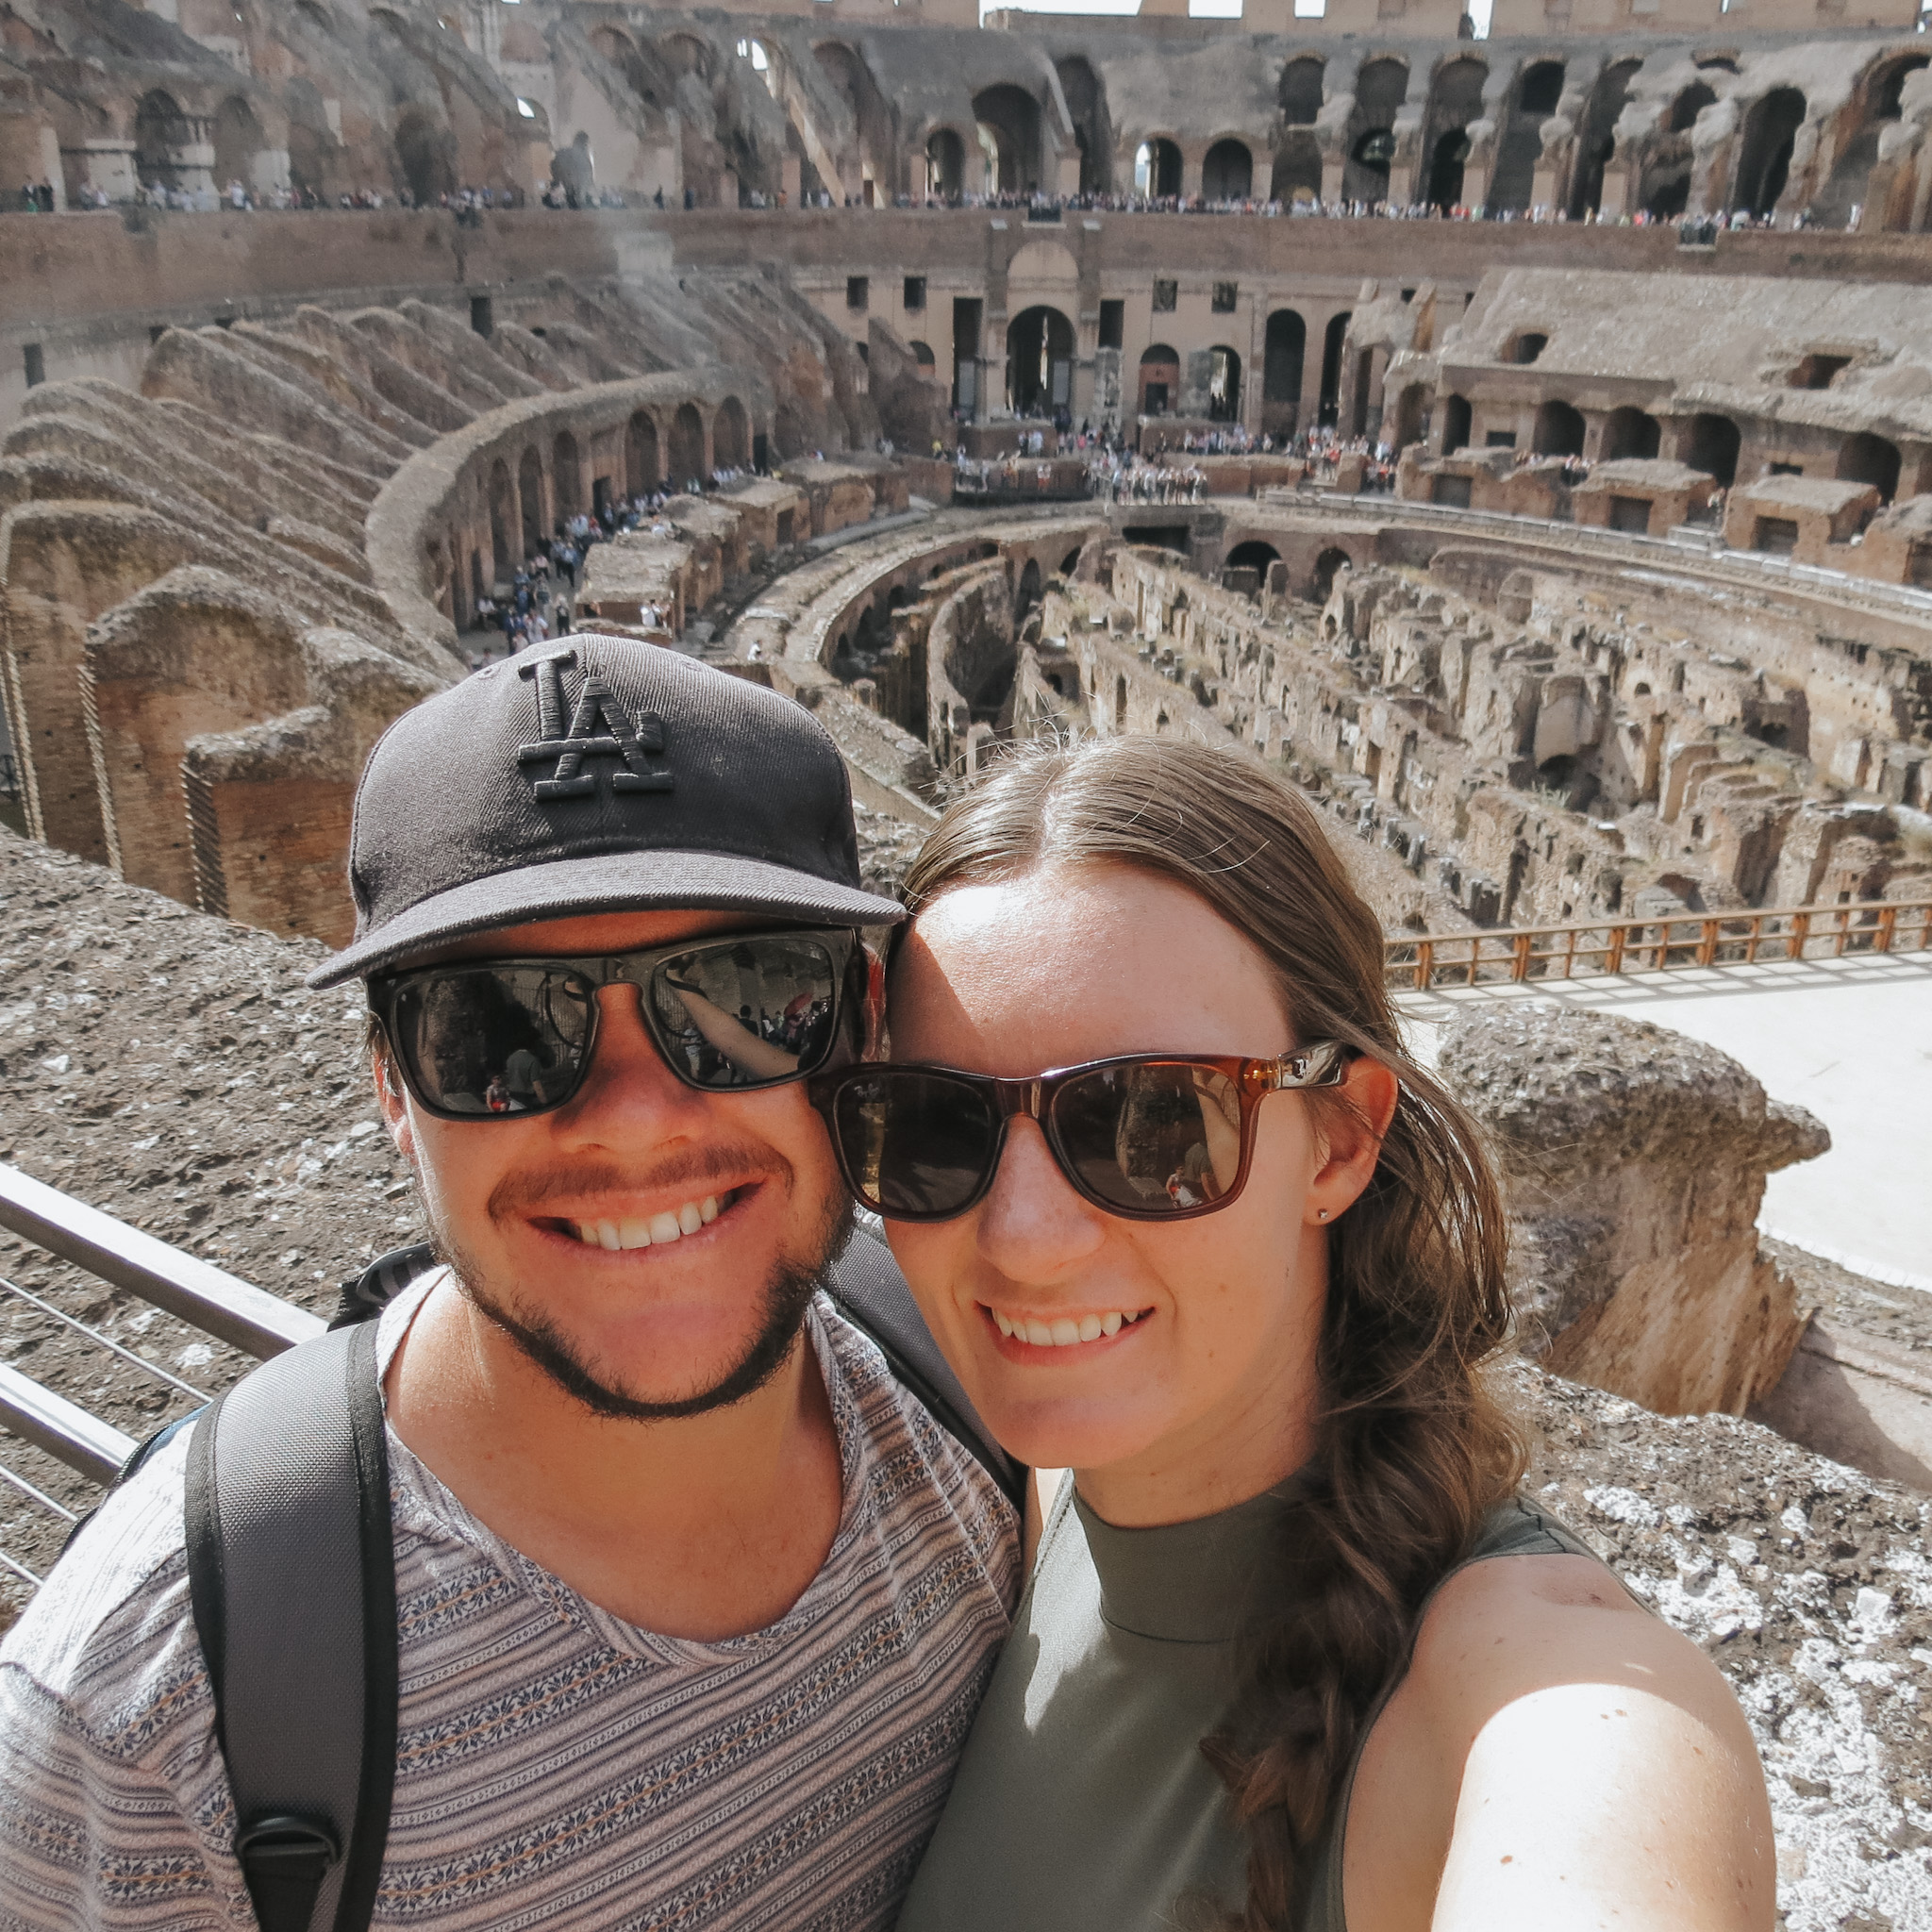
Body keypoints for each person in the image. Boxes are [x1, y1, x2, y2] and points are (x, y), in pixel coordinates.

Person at [0, 639, 1020, 1927]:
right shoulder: (149, 1719)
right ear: (387, 1082)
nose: (636, 1123)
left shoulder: (981, 1411)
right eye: (498, 1027)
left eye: (747, 996)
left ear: (861, 1022)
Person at [808, 736, 1775, 1932]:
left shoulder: (1546, 1705)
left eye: (1151, 1120)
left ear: (1337, 1139)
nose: (1022, 1237)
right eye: (932, 1126)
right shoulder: (1041, 1492)